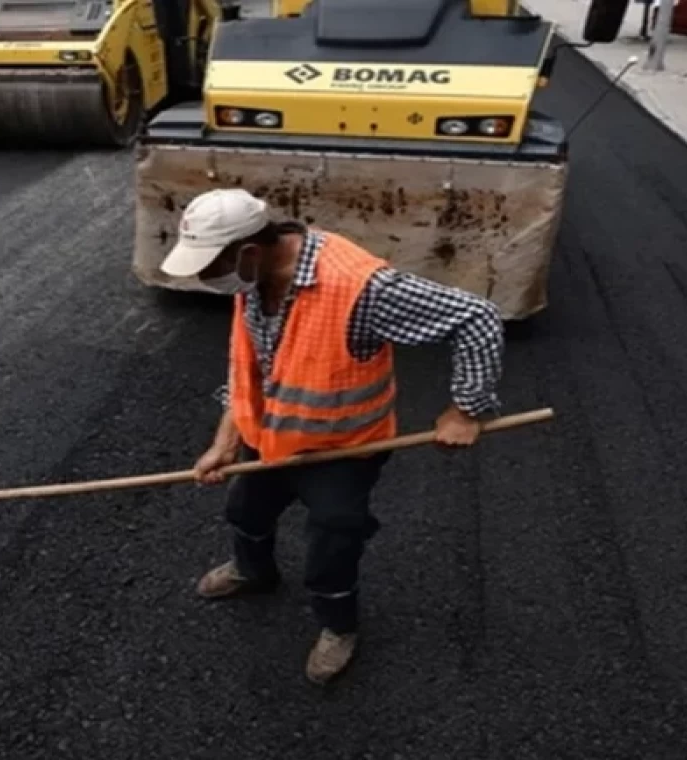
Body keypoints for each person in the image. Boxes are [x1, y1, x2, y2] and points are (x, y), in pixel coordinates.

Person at [159, 188, 506, 685]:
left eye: (211, 265)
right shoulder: (253, 281)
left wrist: (465, 409)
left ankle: (338, 626)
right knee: (245, 510)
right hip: (272, 435)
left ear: (249, 251)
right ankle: (253, 571)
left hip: (344, 448)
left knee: (332, 541)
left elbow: (477, 318)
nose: (205, 277)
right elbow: (251, 365)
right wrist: (225, 442)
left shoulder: (360, 287)